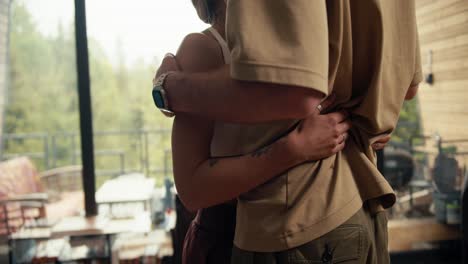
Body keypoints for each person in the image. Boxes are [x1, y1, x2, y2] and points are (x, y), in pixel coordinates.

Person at [154, 0, 421, 263]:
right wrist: (293, 150)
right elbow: (193, 190)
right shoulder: (203, 48)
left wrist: (350, 119)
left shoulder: (311, 40)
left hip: (339, 212)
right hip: (230, 236)